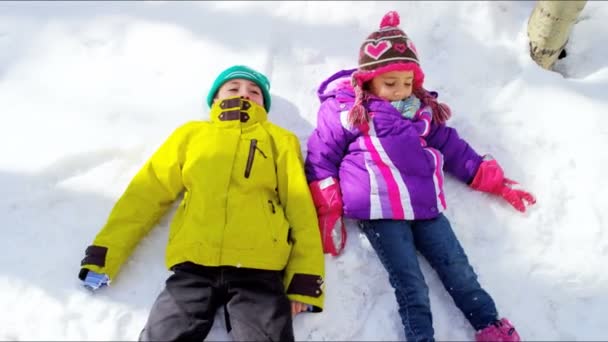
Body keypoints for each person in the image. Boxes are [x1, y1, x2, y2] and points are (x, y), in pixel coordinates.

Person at [304, 11, 535, 342]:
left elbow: (454, 149)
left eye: (407, 82)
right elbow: (320, 157)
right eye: (390, 83)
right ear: (368, 79)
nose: (400, 91)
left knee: (458, 268)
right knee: (410, 283)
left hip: (425, 207)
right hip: (380, 211)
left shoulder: (422, 111)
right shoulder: (347, 111)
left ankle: (489, 325)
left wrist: (493, 180)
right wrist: (329, 208)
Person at [78, 65, 325, 342]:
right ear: (215, 99)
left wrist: (305, 279)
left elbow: (299, 207)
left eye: (254, 92)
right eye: (233, 88)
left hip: (259, 269)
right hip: (194, 265)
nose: (244, 95)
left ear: (263, 105)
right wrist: (104, 255)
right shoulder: (191, 136)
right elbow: (146, 194)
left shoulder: (279, 140)